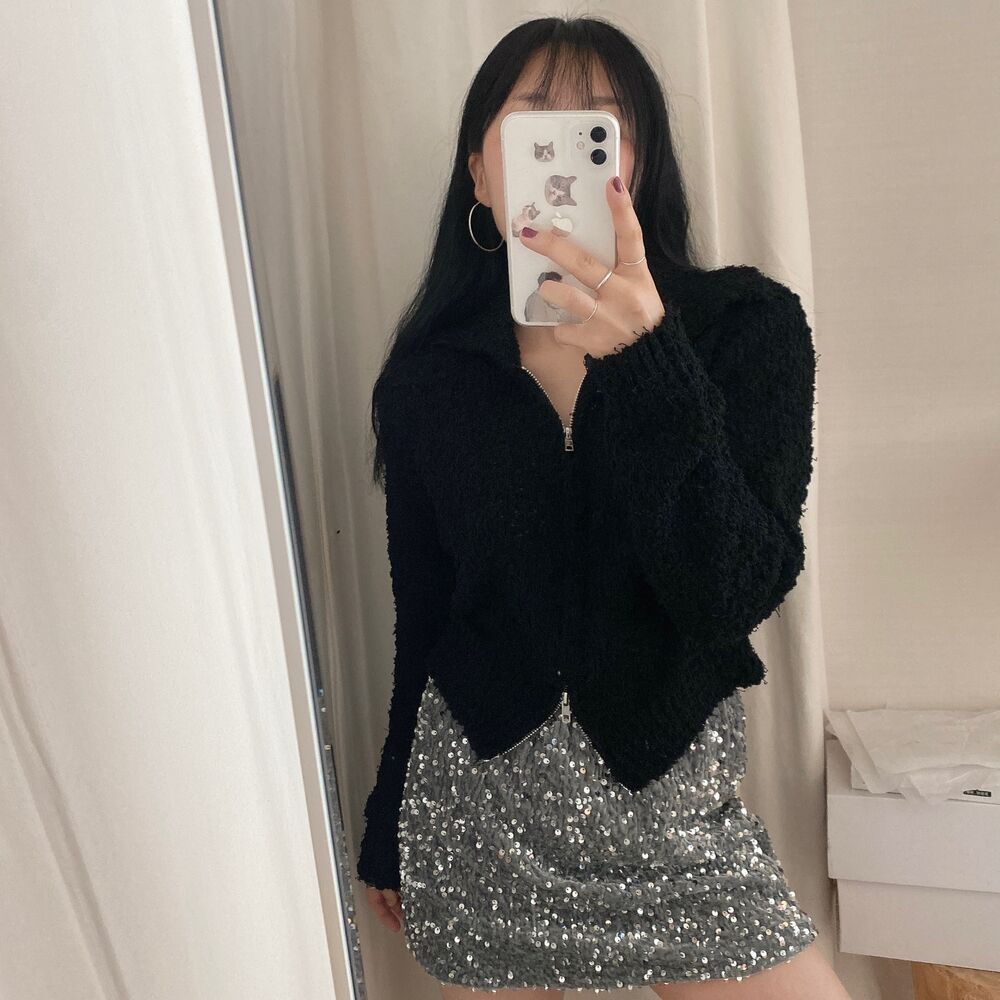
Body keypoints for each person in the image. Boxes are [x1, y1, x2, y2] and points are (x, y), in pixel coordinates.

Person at [356, 15, 852, 1000]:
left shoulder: (743, 328)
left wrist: (647, 360)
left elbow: (731, 591)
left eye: (597, 125)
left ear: (637, 161)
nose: (564, 150)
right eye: (533, 121)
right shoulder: (431, 378)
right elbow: (426, 612)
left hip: (672, 812)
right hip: (480, 814)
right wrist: (386, 820)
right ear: (481, 174)